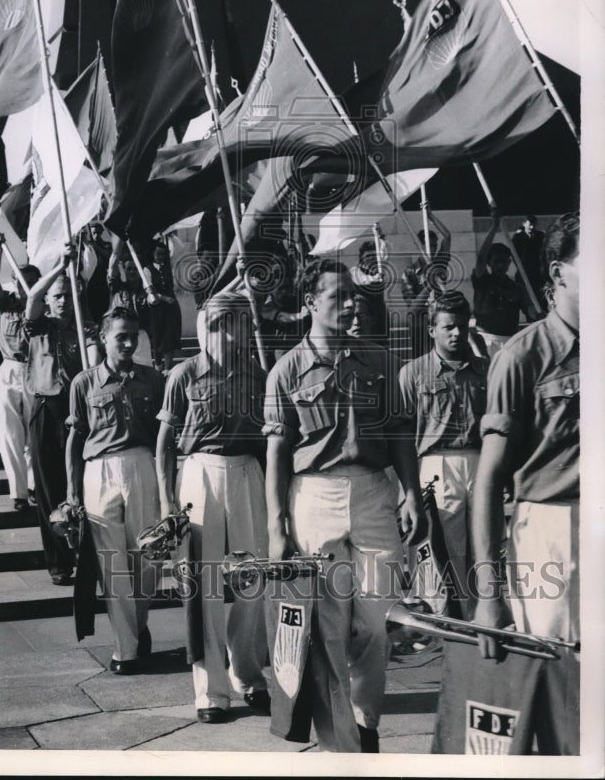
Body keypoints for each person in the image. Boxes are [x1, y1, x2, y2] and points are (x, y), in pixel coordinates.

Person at [264, 258, 427, 752]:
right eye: (338, 296)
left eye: (353, 294)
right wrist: (277, 526)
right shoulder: (286, 370)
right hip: (314, 495)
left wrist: (412, 492)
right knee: (328, 623)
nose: (352, 304)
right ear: (311, 303)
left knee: (374, 619)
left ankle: (366, 717)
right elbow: (276, 451)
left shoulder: (379, 361)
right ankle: (344, 739)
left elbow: (400, 433)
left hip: (375, 493)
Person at [156, 293, 270, 723]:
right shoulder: (183, 375)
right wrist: (168, 501)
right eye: (224, 324)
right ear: (210, 327)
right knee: (201, 586)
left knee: (253, 579)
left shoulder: (257, 375)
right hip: (199, 472)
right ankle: (210, 692)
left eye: (239, 323)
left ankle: (248, 675)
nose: (233, 332)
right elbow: (165, 442)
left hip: (246, 472)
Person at [473, 211, 580, 652]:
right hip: (554, 532)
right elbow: (488, 481)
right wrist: (487, 595)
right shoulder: (523, 357)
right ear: (558, 273)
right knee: (561, 682)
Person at [66, 307, 165, 673]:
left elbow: (164, 437)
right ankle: (125, 647)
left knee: (147, 557)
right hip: (99, 472)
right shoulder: (84, 383)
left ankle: (138, 626)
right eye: (120, 335)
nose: (128, 342)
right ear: (103, 338)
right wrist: (72, 491)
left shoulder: (154, 380)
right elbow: (75, 439)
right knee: (112, 564)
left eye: (133, 335)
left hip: (142, 467)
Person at [398, 290, 489, 617]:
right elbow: (403, 435)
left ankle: (482, 620)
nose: (456, 333)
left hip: (479, 462)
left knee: (483, 546)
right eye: (448, 326)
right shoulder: (413, 373)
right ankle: (449, 620)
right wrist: (406, 490)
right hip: (435, 466)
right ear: (432, 329)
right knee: (444, 551)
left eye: (462, 326)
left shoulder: (484, 369)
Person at [24, 249, 101, 586]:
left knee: (81, 486)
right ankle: (58, 562)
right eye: (57, 297)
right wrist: (59, 267)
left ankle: (86, 555)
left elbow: (95, 367)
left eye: (68, 296)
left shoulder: (86, 330)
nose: (62, 302)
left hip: (75, 411)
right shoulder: (39, 326)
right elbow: (33, 296)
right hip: (45, 410)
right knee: (47, 487)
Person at [0, 236, 41, 512]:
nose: (25, 287)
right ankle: (17, 492)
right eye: (21, 281)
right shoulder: (6, 304)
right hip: (9, 368)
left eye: (31, 282)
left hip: (35, 369)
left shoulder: (41, 307)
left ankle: (33, 486)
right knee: (10, 432)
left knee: (33, 433)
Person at [472, 210, 538, 356]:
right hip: (485, 340)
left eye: (504, 261)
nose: (500, 265)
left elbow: (530, 310)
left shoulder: (518, 288)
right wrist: (494, 226)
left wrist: (541, 315)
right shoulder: (482, 281)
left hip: (510, 341)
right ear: (490, 263)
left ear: (509, 263)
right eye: (496, 261)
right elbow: (481, 258)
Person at [400, 207, 452, 358]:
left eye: (435, 245)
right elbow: (412, 308)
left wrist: (430, 216)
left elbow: (447, 236)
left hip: (441, 319)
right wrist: (429, 285)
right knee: (423, 361)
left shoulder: (439, 263)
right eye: (429, 245)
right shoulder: (410, 272)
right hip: (421, 325)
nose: (433, 249)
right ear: (419, 246)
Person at [108, 258, 156, 366]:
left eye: (135, 269)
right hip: (122, 334)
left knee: (144, 370)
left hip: (140, 335)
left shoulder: (147, 290)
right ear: (124, 270)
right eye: (129, 269)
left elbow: (153, 304)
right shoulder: (118, 288)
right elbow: (112, 270)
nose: (132, 272)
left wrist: (152, 295)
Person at [349, 225, 389, 339]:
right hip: (364, 316)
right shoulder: (354, 272)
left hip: (379, 312)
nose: (371, 259)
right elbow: (362, 281)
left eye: (374, 256)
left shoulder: (380, 268)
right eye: (368, 256)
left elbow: (385, 253)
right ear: (361, 259)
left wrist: (380, 237)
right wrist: (374, 278)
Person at [148, 241, 183, 372]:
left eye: (163, 254)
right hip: (157, 308)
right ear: (153, 254)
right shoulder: (148, 269)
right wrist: (164, 298)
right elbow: (149, 290)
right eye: (158, 254)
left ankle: (167, 368)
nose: (161, 257)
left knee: (170, 337)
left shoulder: (168, 267)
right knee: (157, 337)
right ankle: (158, 366)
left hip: (171, 308)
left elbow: (179, 248)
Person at [511, 214, 546, 306]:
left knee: (541, 300)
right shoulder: (518, 237)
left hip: (538, 275)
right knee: (526, 301)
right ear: (524, 224)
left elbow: (544, 252)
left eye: (534, 224)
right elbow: (514, 254)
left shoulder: (541, 236)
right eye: (529, 224)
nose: (532, 227)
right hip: (524, 274)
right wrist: (520, 266)